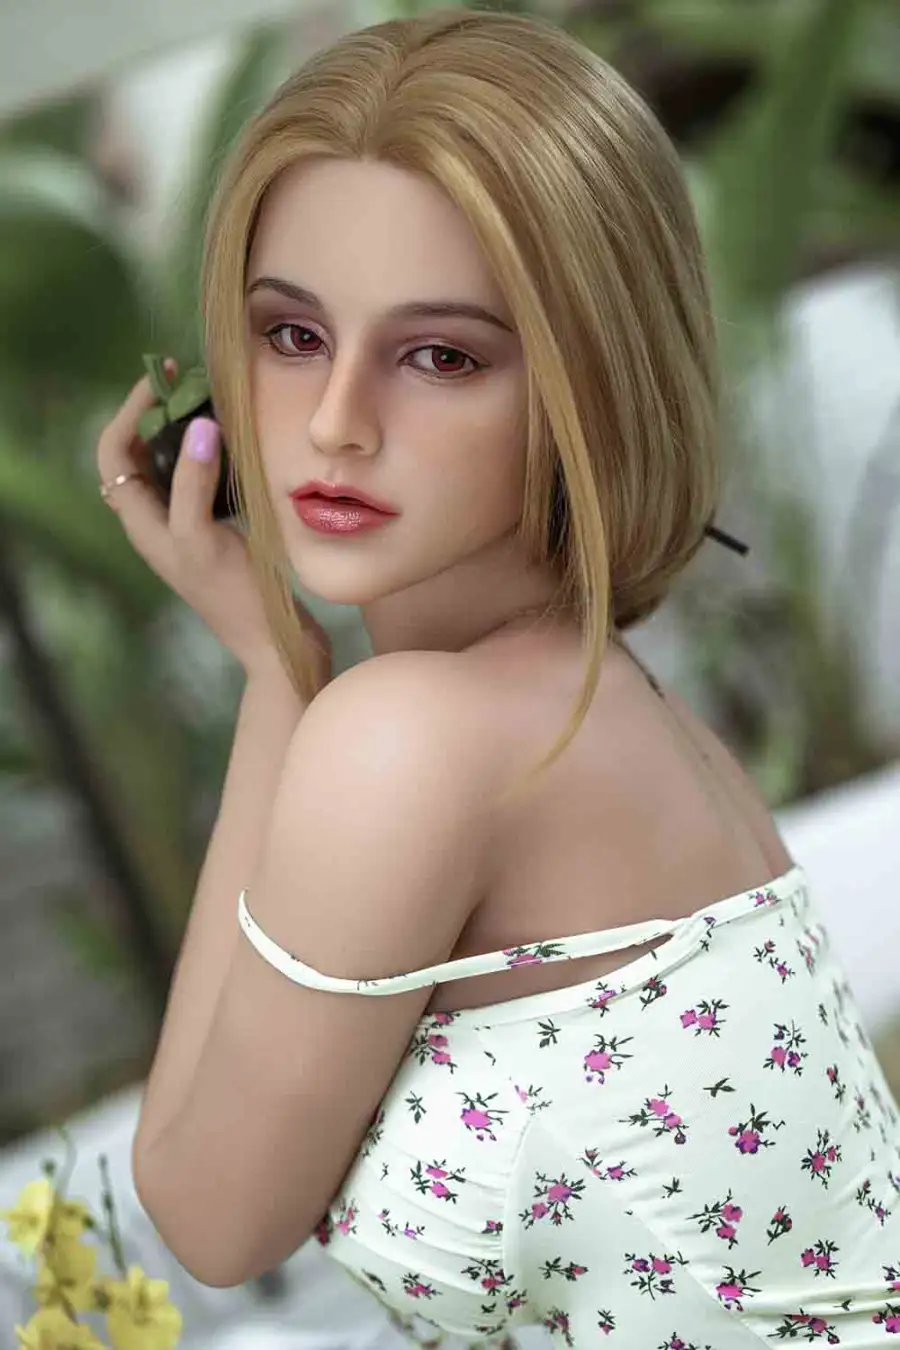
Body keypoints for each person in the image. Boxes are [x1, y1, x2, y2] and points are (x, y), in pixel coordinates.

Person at [96, 6, 900, 1346]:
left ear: (591, 381)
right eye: (292, 336)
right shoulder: (611, 701)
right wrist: (280, 667)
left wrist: (278, 678)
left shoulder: (416, 739)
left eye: (441, 356)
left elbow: (206, 1214)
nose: (337, 422)